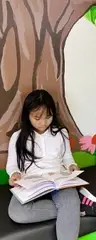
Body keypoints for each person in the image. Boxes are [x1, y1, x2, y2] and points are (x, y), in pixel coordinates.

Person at [6, 90, 81, 240]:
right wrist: (14, 174)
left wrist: (72, 166)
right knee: (17, 212)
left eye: (48, 117)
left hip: (58, 180)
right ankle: (72, 210)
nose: (43, 123)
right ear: (27, 115)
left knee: (71, 200)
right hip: (31, 181)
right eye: (37, 118)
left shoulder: (61, 133)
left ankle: (71, 207)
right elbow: (12, 165)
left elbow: (67, 158)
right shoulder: (18, 137)